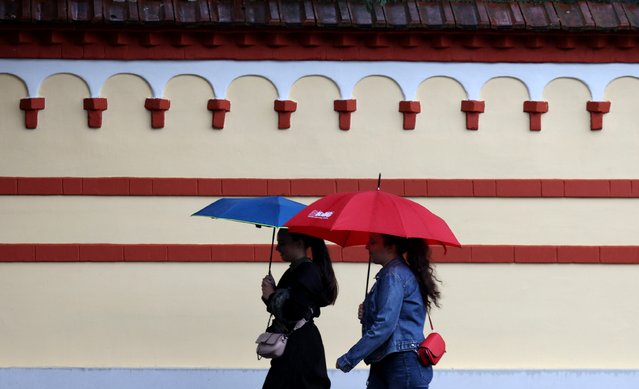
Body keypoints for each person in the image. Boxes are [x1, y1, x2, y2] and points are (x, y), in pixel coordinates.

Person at [335, 233, 441, 389]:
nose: (366, 247)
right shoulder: (397, 272)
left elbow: (385, 325)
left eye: (372, 242)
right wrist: (368, 312)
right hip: (393, 360)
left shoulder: (393, 274)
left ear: (391, 247)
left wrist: (349, 358)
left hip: (400, 363)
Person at [260, 229, 339, 389]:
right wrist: (273, 292)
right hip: (296, 344)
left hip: (300, 348)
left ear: (299, 244)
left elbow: (294, 310)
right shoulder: (297, 269)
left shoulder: (306, 271)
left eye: (282, 243)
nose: (277, 248)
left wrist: (271, 297)